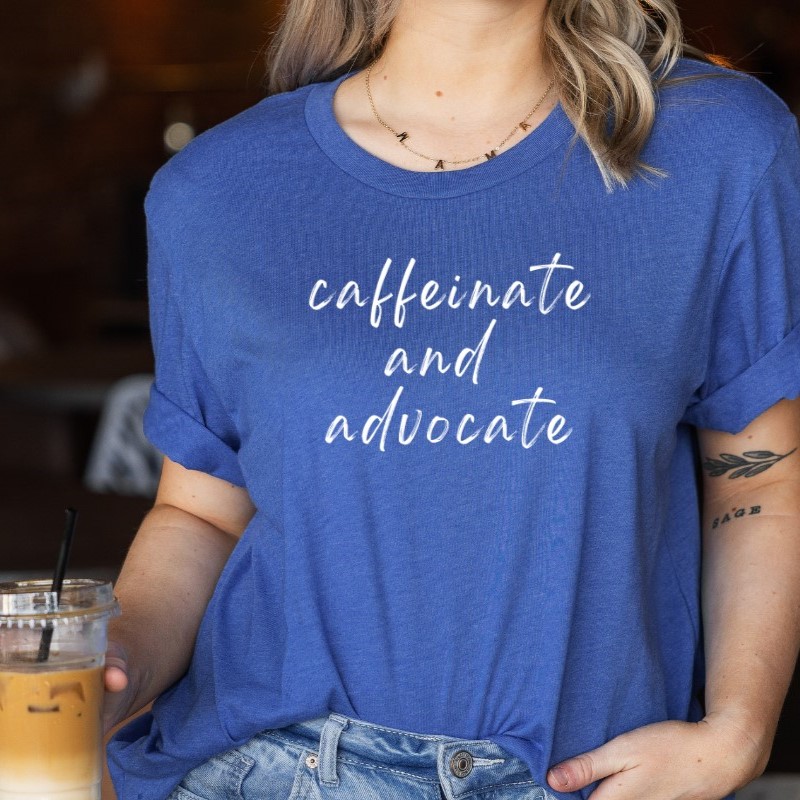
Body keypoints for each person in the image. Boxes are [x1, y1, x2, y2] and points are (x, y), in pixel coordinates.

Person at [104, 0, 800, 798]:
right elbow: (200, 512)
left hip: (584, 775)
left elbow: (757, 480)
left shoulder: (718, 145)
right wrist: (116, 657)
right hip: (276, 767)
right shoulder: (215, 191)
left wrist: (739, 731)